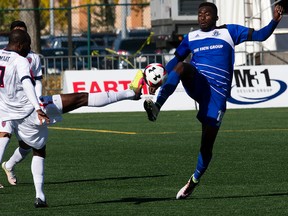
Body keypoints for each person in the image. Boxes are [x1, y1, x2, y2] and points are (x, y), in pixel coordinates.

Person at [143, 2, 283, 199]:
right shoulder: (192, 37)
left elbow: (260, 35)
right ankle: (157, 106)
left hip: (216, 95)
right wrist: (161, 76)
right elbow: (175, 61)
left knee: (206, 145)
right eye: (200, 14)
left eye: (207, 14)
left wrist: (274, 21)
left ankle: (194, 180)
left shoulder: (230, 32)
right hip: (198, 83)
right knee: (183, 66)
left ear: (216, 18)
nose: (202, 17)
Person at [0, 29, 144, 207]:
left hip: (12, 114)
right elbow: (26, 83)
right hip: (30, 111)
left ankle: (38, 193)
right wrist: (38, 108)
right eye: (28, 45)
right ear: (20, 45)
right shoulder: (20, 60)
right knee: (82, 99)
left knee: (35, 146)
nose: (29, 48)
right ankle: (131, 93)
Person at [0, 20, 43, 187]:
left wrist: (37, 102)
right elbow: (26, 82)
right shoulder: (18, 59)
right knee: (4, 135)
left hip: (27, 106)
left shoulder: (33, 58)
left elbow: (37, 81)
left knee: (27, 145)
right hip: (7, 105)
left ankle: (9, 165)